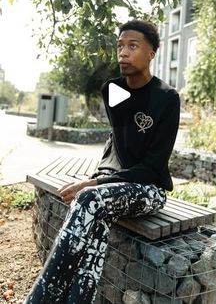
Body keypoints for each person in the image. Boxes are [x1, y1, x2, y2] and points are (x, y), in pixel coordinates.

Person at [24, 20, 180, 304]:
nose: (123, 53)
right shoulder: (113, 91)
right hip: (114, 187)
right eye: (120, 46)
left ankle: (39, 299)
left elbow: (152, 166)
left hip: (149, 188)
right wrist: (102, 178)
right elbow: (120, 145)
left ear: (152, 53)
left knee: (89, 200)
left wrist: (95, 182)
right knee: (96, 229)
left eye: (133, 46)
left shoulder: (167, 98)